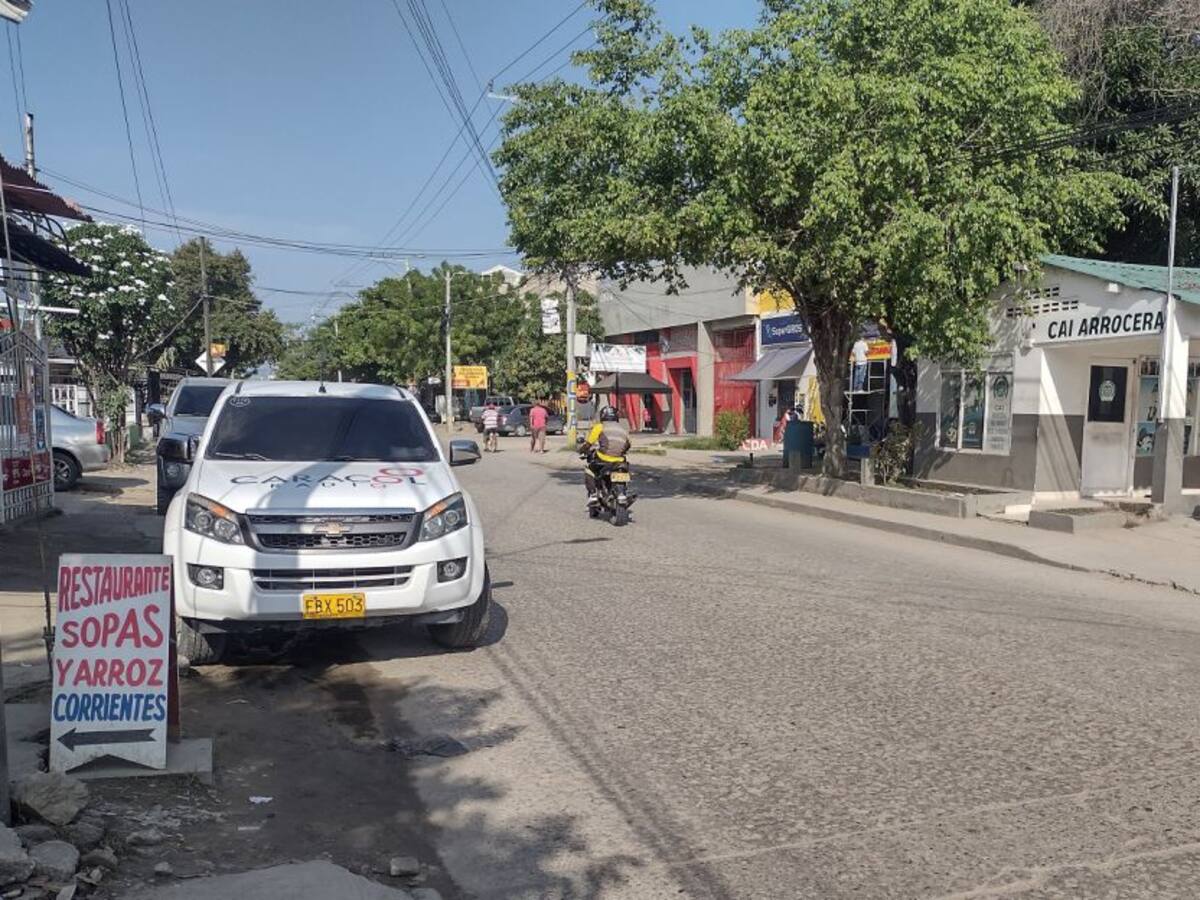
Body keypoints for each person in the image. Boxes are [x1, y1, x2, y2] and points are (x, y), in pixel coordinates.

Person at [579, 405, 631, 506]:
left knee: (589, 470)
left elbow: (588, 444)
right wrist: (621, 452)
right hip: (619, 461)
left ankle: (593, 494)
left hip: (603, 459)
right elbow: (628, 444)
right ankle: (621, 493)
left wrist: (582, 450)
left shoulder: (599, 427)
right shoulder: (622, 428)